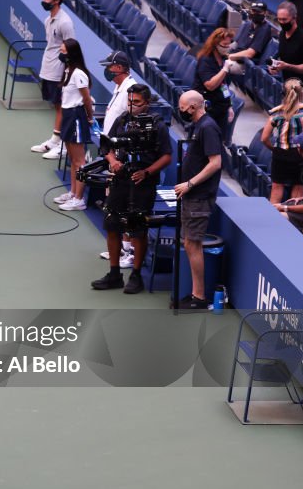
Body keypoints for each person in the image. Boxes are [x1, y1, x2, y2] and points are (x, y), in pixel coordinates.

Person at [90, 85, 172, 294]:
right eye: (129, 101)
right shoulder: (122, 120)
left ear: (147, 103)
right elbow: (105, 146)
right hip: (120, 180)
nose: (131, 106)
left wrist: (147, 172)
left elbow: (166, 156)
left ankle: (136, 276)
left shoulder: (157, 125)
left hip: (142, 183)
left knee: (138, 228)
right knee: (112, 224)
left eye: (136, 102)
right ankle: (114, 273)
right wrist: (112, 161)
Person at [174, 90, 222, 310]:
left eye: (182, 107)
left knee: (193, 244)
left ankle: (200, 298)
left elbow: (215, 163)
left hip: (199, 196)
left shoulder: (208, 127)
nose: (180, 110)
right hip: (191, 196)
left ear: (193, 107)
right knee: (189, 243)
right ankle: (196, 294)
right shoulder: (197, 126)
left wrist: (190, 183)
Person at [93, 51, 137, 267]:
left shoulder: (131, 90)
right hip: (112, 154)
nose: (107, 70)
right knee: (114, 204)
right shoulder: (119, 88)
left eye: (110, 66)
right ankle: (120, 248)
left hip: (122, 157)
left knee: (125, 204)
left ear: (119, 68)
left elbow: (131, 123)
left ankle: (129, 251)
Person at [32, 0, 75, 158]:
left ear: (57, 1)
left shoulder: (65, 22)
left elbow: (71, 48)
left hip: (60, 70)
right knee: (57, 106)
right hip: (48, 67)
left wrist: (67, 73)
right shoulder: (48, 19)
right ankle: (55, 140)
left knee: (64, 106)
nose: (44, 1)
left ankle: (64, 146)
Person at [56, 38, 95, 212]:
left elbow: (86, 98)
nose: (60, 52)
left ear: (71, 53)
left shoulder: (79, 73)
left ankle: (79, 199)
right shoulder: (68, 70)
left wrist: (90, 117)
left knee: (80, 161)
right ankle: (73, 193)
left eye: (63, 50)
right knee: (72, 159)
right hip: (68, 116)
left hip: (77, 116)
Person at [263, 78, 303, 204]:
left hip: (280, 154)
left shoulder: (276, 112)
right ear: (301, 93)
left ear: (283, 94)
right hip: (300, 154)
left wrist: (274, 148)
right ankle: (291, 218)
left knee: (276, 189)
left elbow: (264, 138)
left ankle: (273, 219)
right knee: (298, 188)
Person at [192, 27, 235, 140]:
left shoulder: (224, 58)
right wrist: (224, 70)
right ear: (215, 44)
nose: (226, 48)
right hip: (206, 109)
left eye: (228, 45)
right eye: (223, 45)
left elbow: (223, 85)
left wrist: (229, 105)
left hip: (220, 108)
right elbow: (210, 85)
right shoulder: (206, 60)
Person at [271, 1, 303, 102]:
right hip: (288, 87)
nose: (282, 22)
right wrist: (275, 67)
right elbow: (283, 56)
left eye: (284, 20)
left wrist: (287, 66)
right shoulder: (282, 34)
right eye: (279, 19)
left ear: (294, 18)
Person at [227, 3, 271, 67]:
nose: (255, 14)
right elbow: (235, 44)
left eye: (259, 12)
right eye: (253, 11)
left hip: (245, 63)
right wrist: (224, 50)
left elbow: (250, 54)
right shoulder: (247, 24)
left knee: (224, 65)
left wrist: (229, 56)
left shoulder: (264, 29)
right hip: (234, 55)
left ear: (265, 13)